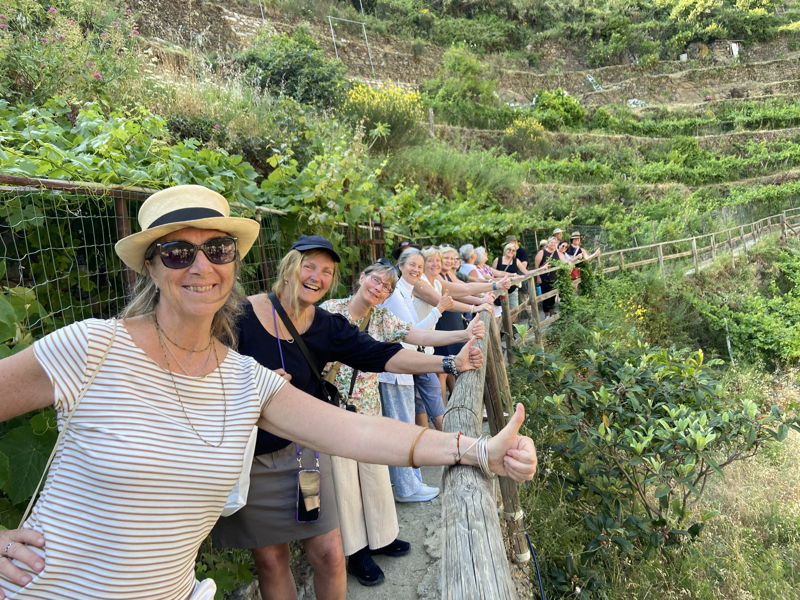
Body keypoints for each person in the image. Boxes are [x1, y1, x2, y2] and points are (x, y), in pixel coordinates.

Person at [0, 185, 537, 600]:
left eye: (217, 248)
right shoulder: (93, 346)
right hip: (47, 586)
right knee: (272, 559)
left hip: (261, 500)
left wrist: (477, 451)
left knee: (325, 546)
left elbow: (356, 430)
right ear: (150, 266)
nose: (202, 266)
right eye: (177, 252)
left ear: (234, 260)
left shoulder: (242, 377)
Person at [211, 236, 489, 600]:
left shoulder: (326, 324)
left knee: (327, 553)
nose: (316, 276)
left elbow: (382, 354)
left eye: (326, 271)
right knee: (271, 560)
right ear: (288, 266)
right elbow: (205, 374)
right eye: (308, 265)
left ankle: (367, 548)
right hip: (255, 464)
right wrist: (249, 386)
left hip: (304, 457)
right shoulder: (240, 315)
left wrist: (450, 362)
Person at [320, 261, 484, 586]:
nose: (378, 287)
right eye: (374, 280)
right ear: (361, 277)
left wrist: (465, 332)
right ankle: (357, 552)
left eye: (385, 287)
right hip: (333, 412)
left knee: (375, 475)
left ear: (386, 296)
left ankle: (382, 536)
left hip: (368, 408)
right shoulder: (330, 310)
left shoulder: (381, 318)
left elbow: (417, 334)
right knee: (346, 484)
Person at [534, 237, 563, 317]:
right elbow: (536, 266)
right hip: (544, 278)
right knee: (546, 296)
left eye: (555, 243)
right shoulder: (542, 252)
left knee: (553, 296)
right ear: (548, 243)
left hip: (555, 278)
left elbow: (565, 262)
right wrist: (538, 277)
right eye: (551, 242)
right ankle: (546, 314)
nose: (553, 244)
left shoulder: (558, 253)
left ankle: (552, 312)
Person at [492, 242, 523, 309]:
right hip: (500, 289)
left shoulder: (516, 261)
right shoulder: (497, 260)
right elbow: (492, 275)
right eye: (509, 249)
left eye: (513, 250)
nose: (511, 251)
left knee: (515, 309)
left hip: (513, 289)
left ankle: (511, 320)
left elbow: (526, 272)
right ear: (505, 250)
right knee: (502, 311)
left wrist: (541, 268)